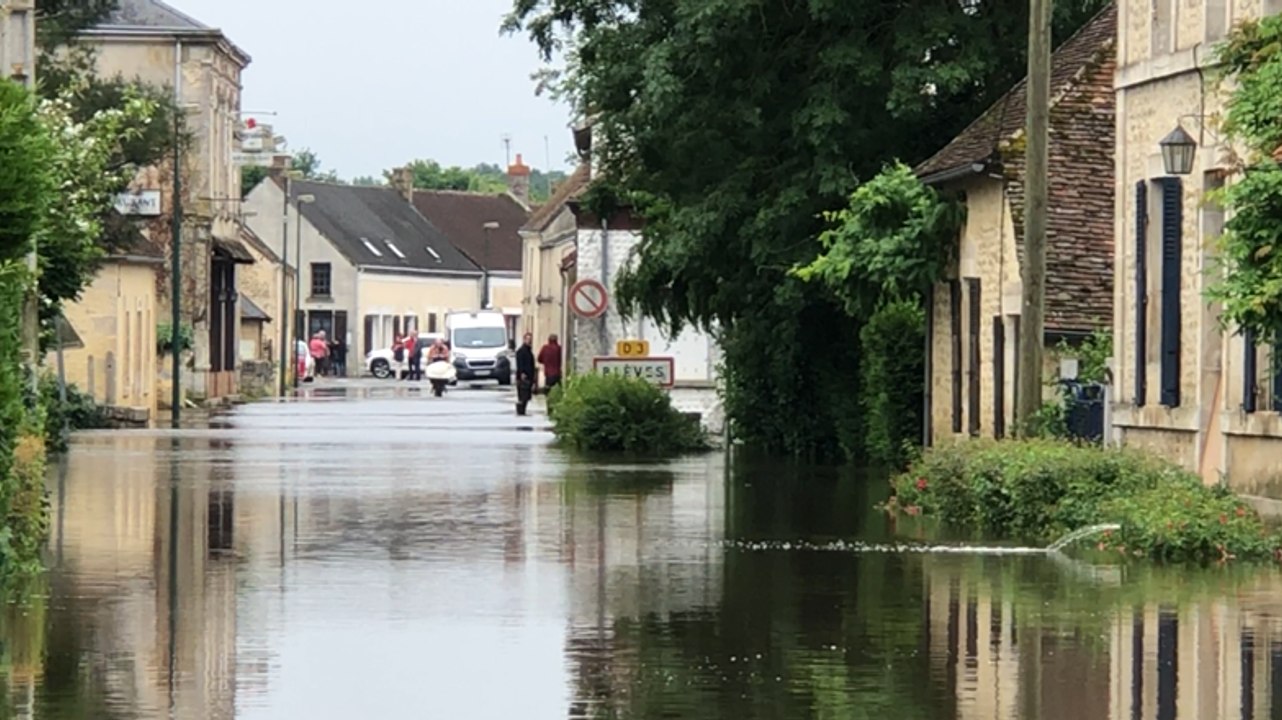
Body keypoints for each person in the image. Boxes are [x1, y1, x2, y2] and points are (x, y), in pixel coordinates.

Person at [515, 332, 536, 416]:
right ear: (524, 340)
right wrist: (521, 373)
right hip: (524, 376)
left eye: (530, 339)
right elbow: (519, 363)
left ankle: (522, 409)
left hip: (529, 375)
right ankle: (520, 410)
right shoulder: (521, 351)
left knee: (526, 395)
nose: (529, 341)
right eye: (527, 339)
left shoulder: (529, 351)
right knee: (523, 394)